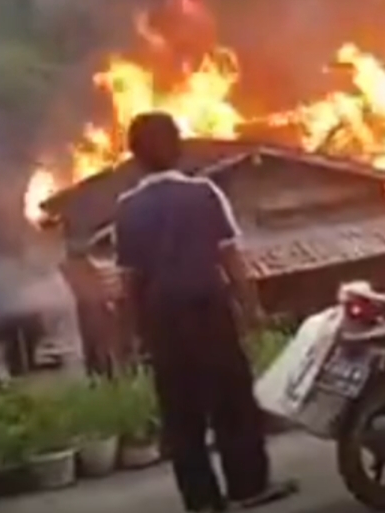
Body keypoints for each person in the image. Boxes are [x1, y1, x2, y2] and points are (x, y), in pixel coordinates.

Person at [113, 112, 298, 512]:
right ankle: (249, 487)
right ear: (178, 147)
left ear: (135, 158)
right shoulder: (205, 193)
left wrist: (133, 334)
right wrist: (252, 311)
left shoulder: (126, 209)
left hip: (163, 321)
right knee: (232, 401)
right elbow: (231, 260)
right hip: (209, 310)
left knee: (181, 415)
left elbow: (129, 282)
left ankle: (201, 501)